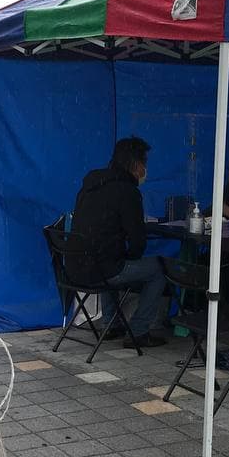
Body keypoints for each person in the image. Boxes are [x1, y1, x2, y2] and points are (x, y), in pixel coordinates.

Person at [67, 136, 167, 349]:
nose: (145, 170)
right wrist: (130, 257)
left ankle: (110, 324)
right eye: (145, 163)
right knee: (159, 270)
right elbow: (138, 241)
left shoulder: (91, 184)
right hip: (101, 271)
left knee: (108, 259)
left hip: (74, 269)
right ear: (136, 165)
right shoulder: (128, 192)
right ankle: (138, 331)